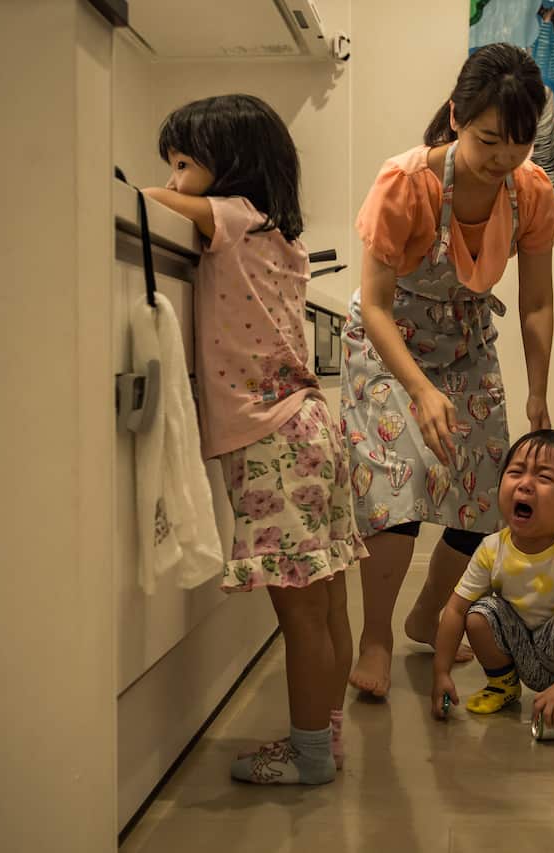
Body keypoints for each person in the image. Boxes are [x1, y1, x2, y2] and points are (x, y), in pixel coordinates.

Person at [143, 94, 366, 785]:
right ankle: (325, 737)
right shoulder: (284, 240)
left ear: (231, 166)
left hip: (270, 439)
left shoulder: (232, 219)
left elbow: (150, 203)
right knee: (327, 599)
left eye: (185, 163)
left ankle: (306, 758)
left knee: (298, 612)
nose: (176, 179)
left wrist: (142, 185)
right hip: (309, 426)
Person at [341, 43, 554, 697]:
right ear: (457, 116)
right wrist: (418, 389)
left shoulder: (530, 192)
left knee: (482, 495)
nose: (503, 158)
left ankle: (428, 614)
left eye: (518, 143)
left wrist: (539, 393)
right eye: (490, 139)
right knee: (396, 487)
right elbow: (376, 305)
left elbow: (537, 301)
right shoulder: (407, 183)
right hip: (388, 344)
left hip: (465, 341)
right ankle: (374, 637)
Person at [430, 430, 554, 732]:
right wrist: (441, 672)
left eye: (543, 478)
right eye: (515, 472)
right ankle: (502, 684)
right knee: (479, 613)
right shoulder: (492, 548)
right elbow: (454, 609)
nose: (525, 484)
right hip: (522, 651)